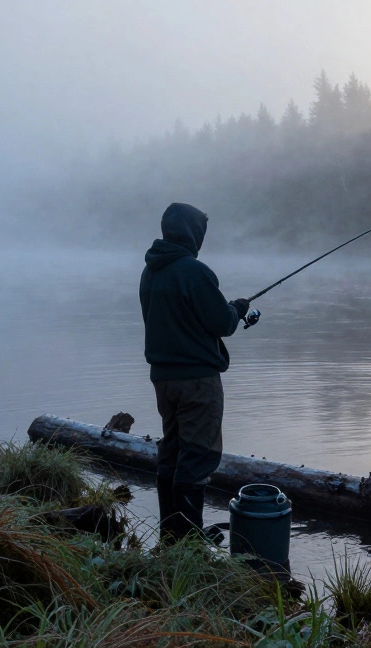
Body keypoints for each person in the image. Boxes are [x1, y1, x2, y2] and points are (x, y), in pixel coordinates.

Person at [140, 202, 250, 543]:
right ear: (193, 234)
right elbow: (222, 323)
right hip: (197, 382)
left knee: (172, 452)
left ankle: (171, 537)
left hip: (163, 379)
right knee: (198, 455)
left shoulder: (151, 271)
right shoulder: (194, 271)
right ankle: (188, 546)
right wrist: (238, 309)